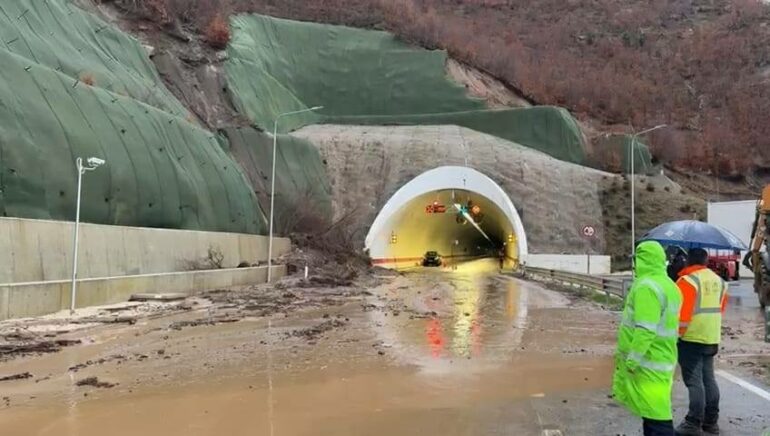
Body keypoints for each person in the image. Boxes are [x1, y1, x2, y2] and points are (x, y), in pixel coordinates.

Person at [613, 241, 682, 436]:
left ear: (644, 260)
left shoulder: (646, 287)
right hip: (663, 357)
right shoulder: (669, 284)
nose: (635, 265)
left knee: (658, 418)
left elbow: (645, 329)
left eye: (637, 259)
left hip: (647, 362)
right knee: (652, 413)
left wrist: (632, 360)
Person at [674, 248, 728, 436]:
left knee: (694, 381)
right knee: (709, 379)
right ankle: (711, 422)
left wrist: (676, 336)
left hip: (691, 338)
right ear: (705, 261)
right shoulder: (720, 282)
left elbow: (682, 315)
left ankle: (693, 422)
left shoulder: (687, 281)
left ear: (688, 261)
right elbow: (720, 309)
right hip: (711, 337)